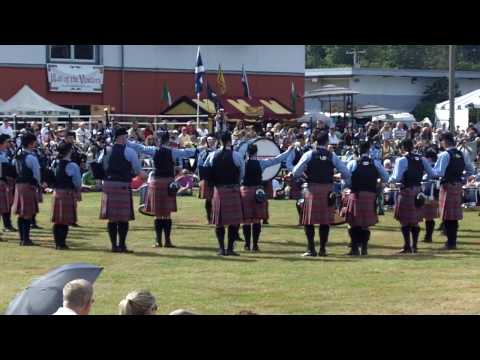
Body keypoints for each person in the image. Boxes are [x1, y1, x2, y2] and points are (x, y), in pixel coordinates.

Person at [126, 131, 197, 248]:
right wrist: (200, 149)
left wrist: (127, 141)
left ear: (158, 140)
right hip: (168, 183)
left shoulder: (154, 150)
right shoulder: (173, 152)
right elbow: (187, 153)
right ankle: (168, 241)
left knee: (158, 214)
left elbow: (140, 147)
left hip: (157, 183)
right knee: (167, 214)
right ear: (168, 140)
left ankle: (158, 241)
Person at [290, 131, 351, 257]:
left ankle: (311, 249)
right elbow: (346, 173)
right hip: (328, 190)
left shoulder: (309, 154)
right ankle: (322, 249)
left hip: (311, 189)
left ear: (315, 142)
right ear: (327, 142)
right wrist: (334, 176)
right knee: (325, 221)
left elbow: (296, 172)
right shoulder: (332, 156)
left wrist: (303, 174)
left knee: (308, 221)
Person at [99, 128, 146, 253]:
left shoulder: (106, 150)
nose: (127, 139)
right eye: (126, 137)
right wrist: (144, 176)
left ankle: (114, 246)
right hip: (122, 185)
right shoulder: (129, 151)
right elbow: (137, 169)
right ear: (122, 137)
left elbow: (99, 166)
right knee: (123, 218)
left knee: (112, 218)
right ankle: (122, 245)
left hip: (108, 185)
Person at [240, 143, 293, 252]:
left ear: (247, 152)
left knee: (246, 220)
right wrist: (288, 151)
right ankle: (255, 245)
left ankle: (246, 244)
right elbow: (277, 160)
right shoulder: (261, 163)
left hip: (245, 191)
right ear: (256, 152)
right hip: (257, 192)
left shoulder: (242, 164)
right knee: (256, 219)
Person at [389, 139, 436, 253]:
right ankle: (414, 246)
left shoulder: (401, 160)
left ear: (403, 148)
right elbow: (432, 173)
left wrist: (388, 179)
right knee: (415, 220)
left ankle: (407, 246)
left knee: (404, 220)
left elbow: (396, 178)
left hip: (406, 191)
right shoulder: (422, 159)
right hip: (418, 191)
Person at [343, 141, 390, 255]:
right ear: (368, 151)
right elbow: (386, 177)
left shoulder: (352, 163)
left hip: (356, 194)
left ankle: (354, 248)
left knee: (353, 223)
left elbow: (346, 179)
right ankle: (364, 248)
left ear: (358, 151)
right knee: (365, 225)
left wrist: (350, 186)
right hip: (370, 195)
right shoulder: (376, 163)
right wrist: (377, 183)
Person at [203, 131, 244, 256]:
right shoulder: (236, 155)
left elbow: (205, 169)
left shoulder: (212, 155)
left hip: (218, 190)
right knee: (234, 221)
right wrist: (237, 182)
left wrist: (211, 182)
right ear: (230, 141)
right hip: (233, 189)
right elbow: (242, 172)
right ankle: (230, 249)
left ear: (219, 141)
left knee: (219, 222)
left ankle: (221, 248)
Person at [433, 132, 475, 250]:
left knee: (447, 215)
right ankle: (452, 241)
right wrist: (463, 177)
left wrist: (429, 171)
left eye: (440, 141)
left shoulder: (444, 154)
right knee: (454, 216)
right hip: (457, 185)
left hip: (447, 185)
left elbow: (439, 172)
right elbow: (470, 170)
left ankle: (450, 243)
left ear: (444, 141)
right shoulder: (461, 154)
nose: (440, 143)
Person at [50, 142, 82, 250]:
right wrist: (78, 192)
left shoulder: (55, 163)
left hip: (56, 193)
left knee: (57, 221)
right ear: (69, 151)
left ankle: (57, 243)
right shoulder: (72, 165)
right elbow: (77, 182)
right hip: (67, 193)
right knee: (64, 221)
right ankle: (62, 243)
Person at [11, 133, 41, 246]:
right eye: (34, 142)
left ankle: (22, 238)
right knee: (27, 213)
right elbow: (37, 175)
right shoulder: (31, 157)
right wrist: (38, 185)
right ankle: (26, 239)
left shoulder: (17, 157)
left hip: (18, 186)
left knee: (21, 213)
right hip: (28, 186)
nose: (36, 144)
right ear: (30, 144)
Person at [286, 134, 307, 223]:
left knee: (306, 198)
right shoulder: (293, 151)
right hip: (297, 177)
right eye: (297, 139)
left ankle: (306, 218)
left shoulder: (307, 150)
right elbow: (288, 164)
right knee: (299, 199)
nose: (299, 141)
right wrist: (297, 171)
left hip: (307, 177)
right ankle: (301, 218)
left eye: (300, 139)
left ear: (303, 140)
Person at [197, 135, 217, 223]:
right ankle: (209, 217)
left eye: (212, 140)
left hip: (217, 178)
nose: (210, 142)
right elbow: (199, 166)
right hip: (206, 177)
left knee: (216, 198)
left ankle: (216, 216)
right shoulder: (202, 153)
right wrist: (200, 178)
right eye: (209, 140)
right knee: (208, 199)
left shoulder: (218, 152)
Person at [422, 147, 439, 243]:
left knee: (428, 216)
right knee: (430, 216)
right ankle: (428, 236)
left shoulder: (430, 168)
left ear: (428, 158)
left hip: (429, 192)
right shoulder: (436, 167)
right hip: (434, 193)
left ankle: (428, 236)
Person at [0, 134, 16, 233]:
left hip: (6, 182)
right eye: (7, 142)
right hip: (2, 180)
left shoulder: (6, 153)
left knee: (6, 205)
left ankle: (7, 225)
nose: (9, 144)